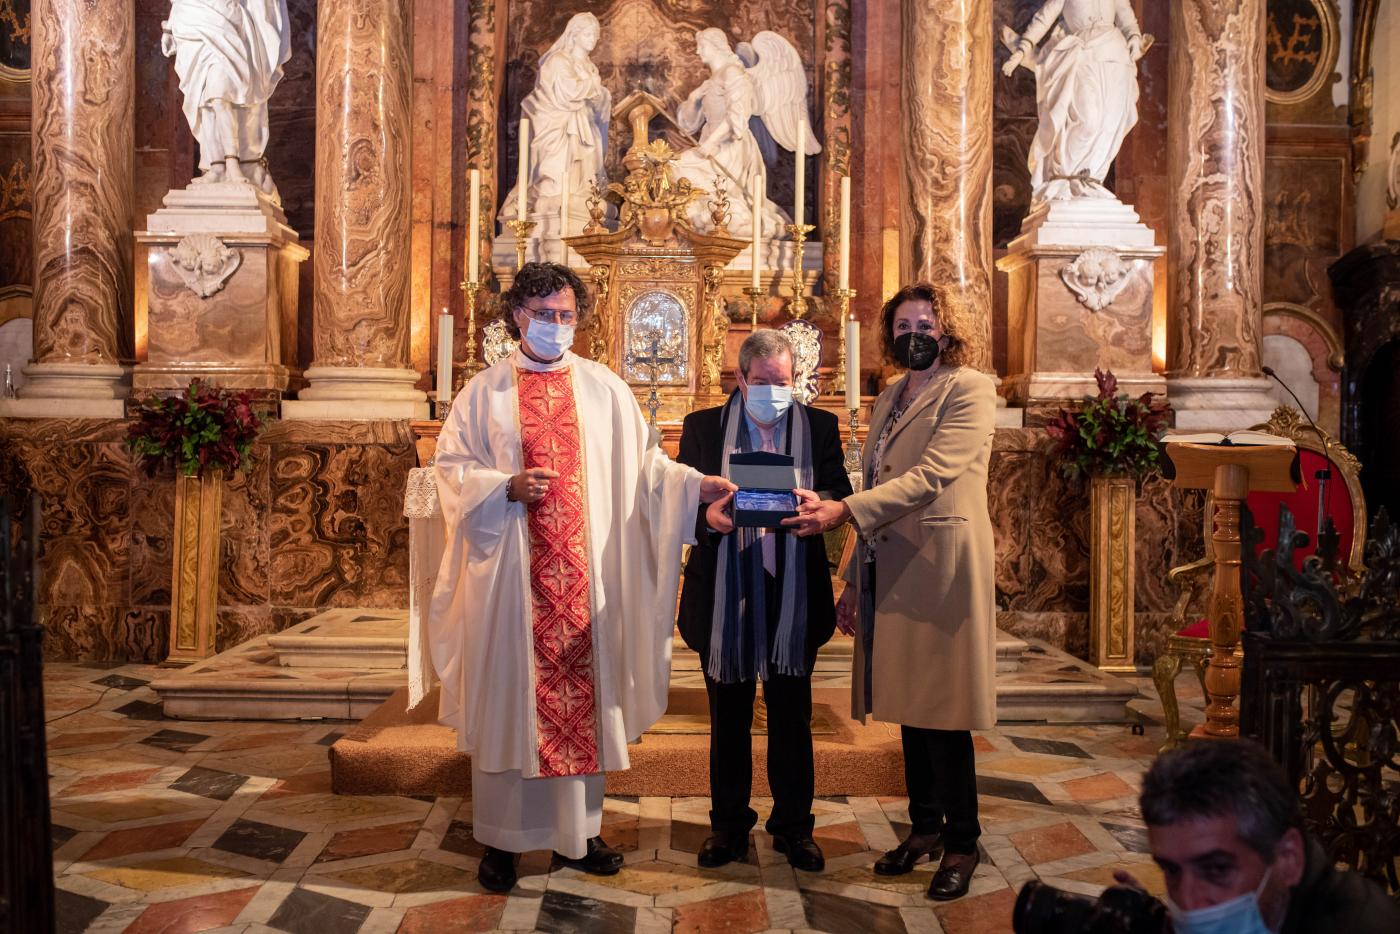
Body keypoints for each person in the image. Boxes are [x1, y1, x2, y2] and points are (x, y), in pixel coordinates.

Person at [429, 262, 734, 893]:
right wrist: (503, 487)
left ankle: (579, 835)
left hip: (584, 583)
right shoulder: (482, 393)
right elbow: (450, 470)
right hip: (511, 583)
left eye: (567, 315)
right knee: (511, 703)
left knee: (583, 705)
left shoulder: (604, 389)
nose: (557, 325)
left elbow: (647, 469)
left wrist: (693, 486)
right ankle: (503, 842)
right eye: (545, 314)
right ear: (517, 315)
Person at [786, 283, 996, 901]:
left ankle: (963, 841)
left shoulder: (970, 388)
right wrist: (853, 579)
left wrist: (841, 511)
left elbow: (932, 475)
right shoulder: (891, 396)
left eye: (925, 324)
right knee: (907, 704)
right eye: (903, 326)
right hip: (890, 564)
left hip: (940, 565)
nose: (914, 335)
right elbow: (876, 479)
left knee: (944, 710)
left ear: (947, 329)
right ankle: (924, 829)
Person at [675, 330, 852, 871]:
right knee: (728, 720)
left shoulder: (819, 426)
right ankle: (728, 827)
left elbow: (839, 492)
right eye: (764, 382)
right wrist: (708, 518)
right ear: (742, 378)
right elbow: (680, 501)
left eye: (784, 382)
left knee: (792, 718)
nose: (775, 391)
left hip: (792, 591)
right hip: (724, 593)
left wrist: (821, 505)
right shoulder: (702, 427)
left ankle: (794, 828)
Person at [1131, 739, 1400, 933]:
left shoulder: (1360, 925)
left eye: (1217, 870)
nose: (1187, 903)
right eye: (1172, 870)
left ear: (1288, 857)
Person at [498, 12, 610, 226]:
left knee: (589, 167)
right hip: (557, 123)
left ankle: (580, 192)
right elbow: (567, 92)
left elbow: (594, 99)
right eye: (588, 34)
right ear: (574, 35)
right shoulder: (558, 60)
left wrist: (601, 95)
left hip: (582, 124)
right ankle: (549, 197)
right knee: (556, 178)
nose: (593, 39)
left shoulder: (590, 66)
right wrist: (593, 86)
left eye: (595, 35)